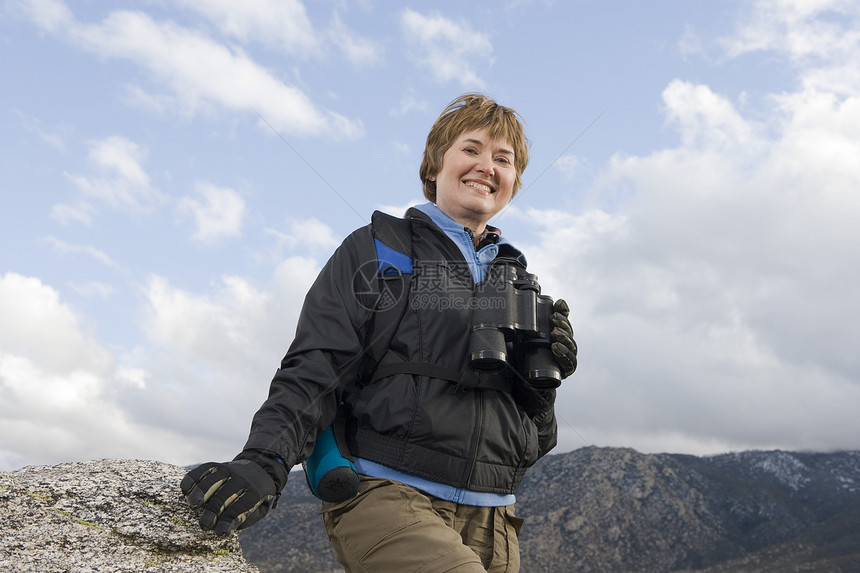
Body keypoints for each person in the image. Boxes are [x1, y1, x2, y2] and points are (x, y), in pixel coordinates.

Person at [181, 93, 578, 572]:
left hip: (494, 517)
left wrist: (542, 392)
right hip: (388, 493)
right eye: (471, 150)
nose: (486, 167)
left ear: (513, 182)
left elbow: (534, 441)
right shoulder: (381, 251)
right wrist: (264, 461)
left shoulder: (517, 283)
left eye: (503, 159)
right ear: (435, 166)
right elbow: (316, 365)